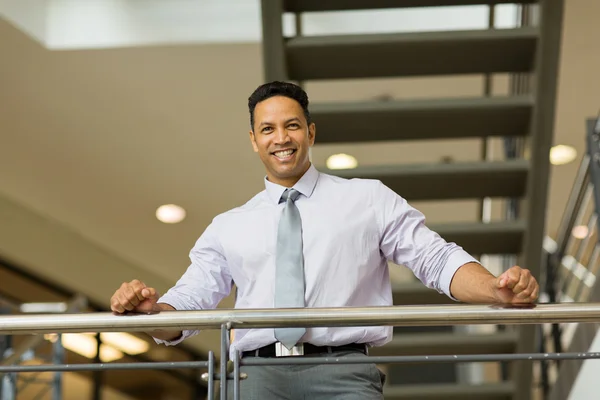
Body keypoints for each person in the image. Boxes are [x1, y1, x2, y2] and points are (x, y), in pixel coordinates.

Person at [110, 81, 539, 399]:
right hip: (254, 379)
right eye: (268, 129)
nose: (281, 138)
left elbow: (435, 259)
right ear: (254, 141)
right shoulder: (229, 225)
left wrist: (495, 290)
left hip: (344, 374)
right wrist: (152, 313)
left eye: (292, 126)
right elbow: (190, 303)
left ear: (311, 133)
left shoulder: (367, 198)